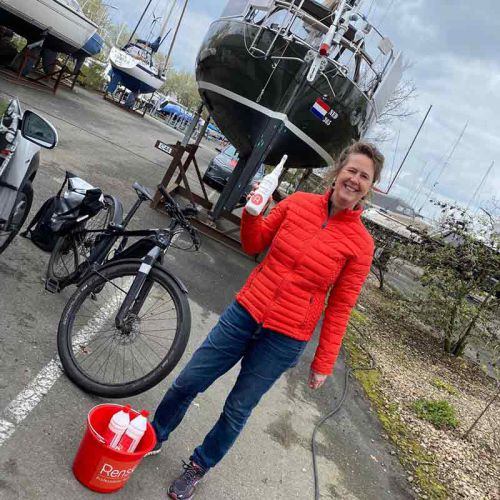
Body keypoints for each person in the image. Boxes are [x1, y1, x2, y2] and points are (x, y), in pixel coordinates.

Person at [150, 141, 384, 499]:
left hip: (285, 338)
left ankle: (199, 466)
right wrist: (252, 213)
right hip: (246, 312)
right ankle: (155, 435)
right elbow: (253, 243)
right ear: (338, 172)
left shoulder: (361, 245)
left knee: (237, 409)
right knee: (190, 380)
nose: (355, 179)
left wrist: (323, 362)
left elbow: (340, 306)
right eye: (351, 170)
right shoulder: (298, 203)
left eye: (364, 176)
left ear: (370, 187)